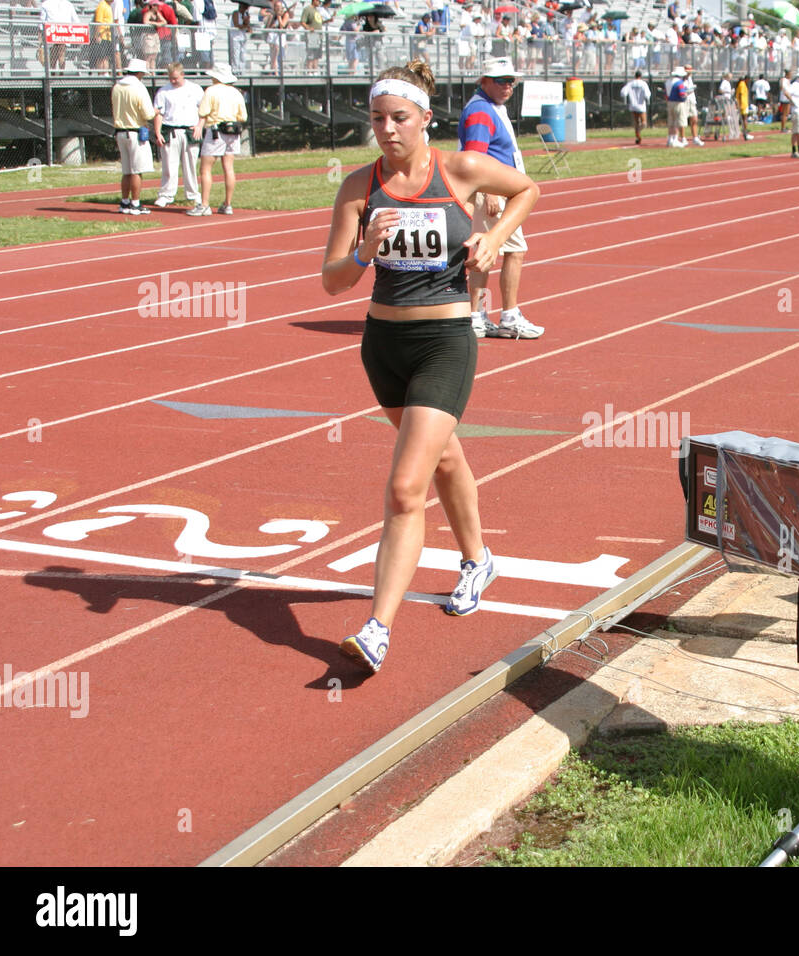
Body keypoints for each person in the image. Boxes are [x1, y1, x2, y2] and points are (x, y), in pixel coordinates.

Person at [322, 58, 539, 673]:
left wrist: (493, 240)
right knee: (443, 455)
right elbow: (331, 282)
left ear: (425, 119)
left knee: (404, 487)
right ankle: (478, 560)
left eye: (399, 119)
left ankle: (376, 629)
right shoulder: (359, 188)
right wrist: (364, 250)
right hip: (382, 348)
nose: (387, 130)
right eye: (377, 120)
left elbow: (527, 190)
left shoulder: (461, 169)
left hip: (445, 343)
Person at [460, 57, 544, 339]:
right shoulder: (482, 111)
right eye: (501, 80)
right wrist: (490, 190)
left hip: (501, 190)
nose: (508, 86)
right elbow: (475, 156)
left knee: (496, 252)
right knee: (507, 251)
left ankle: (482, 315)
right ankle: (497, 315)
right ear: (484, 81)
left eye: (512, 80)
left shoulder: (490, 107)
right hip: (492, 193)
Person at [193, 64, 247, 215]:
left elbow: (203, 111)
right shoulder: (236, 93)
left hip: (216, 130)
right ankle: (227, 203)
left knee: (205, 168)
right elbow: (243, 116)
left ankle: (204, 204)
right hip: (233, 131)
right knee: (229, 168)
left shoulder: (211, 91)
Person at [153, 62, 204, 209]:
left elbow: (204, 110)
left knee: (191, 165)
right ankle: (166, 195)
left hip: (190, 130)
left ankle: (193, 194)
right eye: (171, 78)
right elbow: (159, 113)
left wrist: (200, 126)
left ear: (182, 74)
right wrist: (158, 132)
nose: (173, 81)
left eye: (175, 78)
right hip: (171, 130)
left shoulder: (195, 89)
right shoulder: (163, 91)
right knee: (169, 165)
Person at [111, 57, 159, 215]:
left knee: (126, 170)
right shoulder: (138, 87)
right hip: (136, 131)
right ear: (139, 73)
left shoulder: (117, 86)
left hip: (120, 130)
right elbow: (148, 113)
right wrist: (156, 112)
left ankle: (124, 202)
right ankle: (135, 203)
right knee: (137, 170)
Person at [620, 69, 651, 145]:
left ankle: (638, 136)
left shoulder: (630, 83)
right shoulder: (643, 84)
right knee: (644, 123)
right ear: (640, 76)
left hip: (633, 105)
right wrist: (647, 99)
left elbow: (623, 93)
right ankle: (638, 132)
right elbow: (647, 94)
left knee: (636, 123)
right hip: (641, 105)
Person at [301, 0, 331, 72]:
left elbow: (319, 22)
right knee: (311, 54)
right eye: (318, 1)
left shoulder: (317, 10)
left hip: (318, 35)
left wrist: (328, 21)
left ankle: (315, 70)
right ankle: (310, 71)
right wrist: (308, 28)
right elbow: (302, 22)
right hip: (311, 35)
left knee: (317, 55)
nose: (320, 3)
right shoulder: (307, 9)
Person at [665, 65, 688, 147]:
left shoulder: (668, 82)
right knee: (677, 121)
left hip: (670, 102)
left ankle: (670, 139)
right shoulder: (680, 83)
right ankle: (675, 139)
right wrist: (687, 94)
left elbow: (666, 94)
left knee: (671, 121)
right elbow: (682, 94)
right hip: (678, 103)